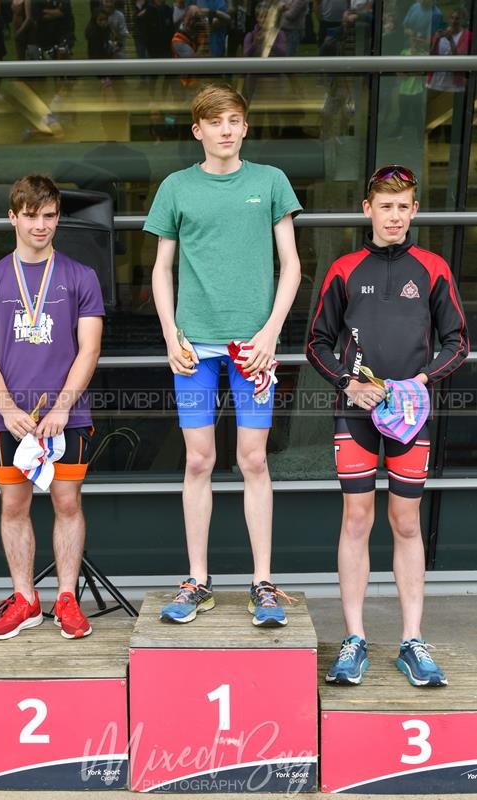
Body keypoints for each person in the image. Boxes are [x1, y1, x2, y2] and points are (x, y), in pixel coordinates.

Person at [144, 83, 302, 627]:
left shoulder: (271, 182)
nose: (227, 130)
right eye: (216, 122)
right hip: (195, 347)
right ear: (198, 130)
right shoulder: (175, 188)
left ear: (245, 127)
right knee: (198, 460)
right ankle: (198, 581)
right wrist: (170, 333)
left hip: (252, 349)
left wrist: (270, 334)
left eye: (235, 120)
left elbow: (292, 266)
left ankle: (263, 582)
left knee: (254, 460)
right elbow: (162, 268)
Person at [306, 165, 469, 686]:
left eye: (403, 207)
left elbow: (458, 342)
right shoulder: (344, 268)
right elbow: (317, 343)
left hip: (409, 413)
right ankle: (354, 638)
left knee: (404, 522)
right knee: (356, 518)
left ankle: (412, 640)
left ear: (414, 211)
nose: (394, 216)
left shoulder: (433, 268)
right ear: (367, 210)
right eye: (385, 206)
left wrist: (421, 380)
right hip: (356, 410)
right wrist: (347, 384)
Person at [0, 175, 105, 640]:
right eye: (30, 216)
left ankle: (67, 598)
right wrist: (6, 410)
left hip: (68, 415)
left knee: (67, 502)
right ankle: (25, 599)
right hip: (11, 417)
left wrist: (64, 407)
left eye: (48, 216)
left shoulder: (80, 276)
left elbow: (89, 349)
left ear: (58, 217)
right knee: (13, 505)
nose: (40, 225)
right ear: (13, 217)